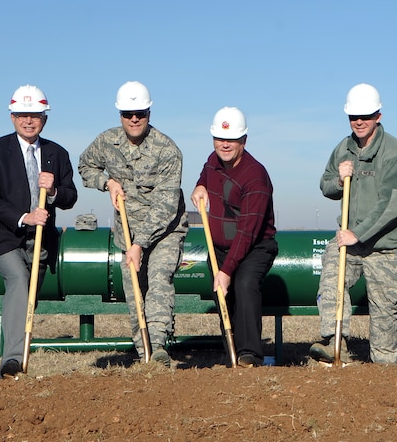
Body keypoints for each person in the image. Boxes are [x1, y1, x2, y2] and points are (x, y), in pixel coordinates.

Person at [78, 81, 187, 367]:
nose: (134, 119)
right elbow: (85, 166)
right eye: (128, 114)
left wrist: (139, 243)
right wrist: (107, 182)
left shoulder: (167, 150)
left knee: (159, 277)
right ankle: (144, 353)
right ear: (120, 115)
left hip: (165, 230)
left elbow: (165, 205)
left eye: (140, 113)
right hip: (126, 230)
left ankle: (159, 346)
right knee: (134, 288)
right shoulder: (106, 142)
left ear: (149, 113)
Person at [0, 85, 78, 379]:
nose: (28, 121)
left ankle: (18, 351)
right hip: (3, 235)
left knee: (29, 292)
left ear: (44, 118)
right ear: (12, 117)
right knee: (20, 279)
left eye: (34, 115)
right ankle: (12, 362)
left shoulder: (57, 153)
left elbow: (71, 197)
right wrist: (24, 217)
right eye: (22, 115)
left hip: (41, 241)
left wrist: (55, 190)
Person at [309, 83, 397, 364]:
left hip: (387, 246)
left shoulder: (395, 153)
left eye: (365, 116)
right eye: (353, 117)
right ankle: (334, 341)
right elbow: (326, 186)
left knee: (384, 310)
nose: (358, 122)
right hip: (349, 241)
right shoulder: (343, 148)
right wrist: (338, 180)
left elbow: (391, 206)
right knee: (332, 278)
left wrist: (358, 233)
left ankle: (383, 366)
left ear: (378, 116)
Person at [191, 106, 278, 368]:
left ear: (244, 141)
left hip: (255, 246)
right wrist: (200, 185)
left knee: (243, 284)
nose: (224, 144)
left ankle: (250, 354)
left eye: (231, 140)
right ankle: (232, 352)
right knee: (223, 296)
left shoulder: (255, 176)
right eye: (219, 138)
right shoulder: (213, 160)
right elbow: (206, 173)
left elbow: (247, 231)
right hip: (218, 245)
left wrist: (227, 270)